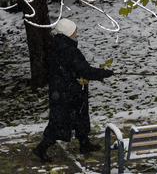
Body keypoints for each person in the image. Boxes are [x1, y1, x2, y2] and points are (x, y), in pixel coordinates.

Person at [32, 18, 114, 162]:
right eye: (74, 30)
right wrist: (103, 73)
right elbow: (85, 70)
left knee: (80, 118)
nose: (76, 32)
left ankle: (84, 144)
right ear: (69, 33)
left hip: (62, 91)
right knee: (60, 122)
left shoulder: (56, 46)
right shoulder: (70, 51)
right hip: (68, 94)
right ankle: (41, 148)